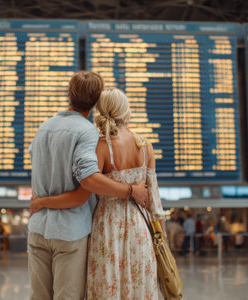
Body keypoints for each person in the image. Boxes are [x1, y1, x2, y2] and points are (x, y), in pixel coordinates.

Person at [30, 88, 165, 299]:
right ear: (126, 111)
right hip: (140, 229)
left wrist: (42, 202)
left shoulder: (102, 146)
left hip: (107, 227)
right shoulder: (146, 146)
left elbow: (88, 186)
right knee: (139, 288)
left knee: (107, 286)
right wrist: (161, 240)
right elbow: (155, 203)